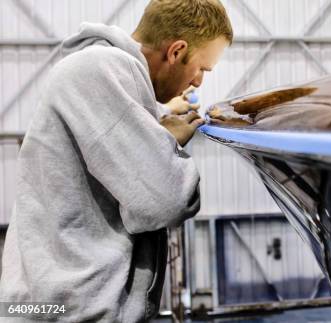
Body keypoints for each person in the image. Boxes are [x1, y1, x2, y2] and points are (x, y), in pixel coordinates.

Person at [0, 0, 232, 321]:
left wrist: (158, 126)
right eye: (202, 69)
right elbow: (164, 199)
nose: (197, 83)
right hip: (61, 310)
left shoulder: (105, 73)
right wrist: (164, 142)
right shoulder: (99, 69)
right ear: (176, 51)